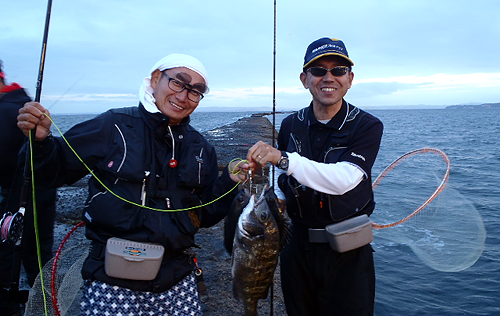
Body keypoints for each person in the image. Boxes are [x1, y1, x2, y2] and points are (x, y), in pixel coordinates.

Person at [17, 54, 249, 316]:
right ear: (154, 79)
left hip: (178, 280)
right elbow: (51, 172)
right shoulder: (112, 125)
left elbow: (204, 214)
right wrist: (40, 142)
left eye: (195, 91)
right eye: (177, 83)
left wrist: (230, 181)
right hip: (111, 281)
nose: (184, 96)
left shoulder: (201, 148)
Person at [247, 38, 383, 315]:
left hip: (348, 252)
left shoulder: (367, 126)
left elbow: (344, 179)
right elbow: (280, 176)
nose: (328, 77)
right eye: (319, 70)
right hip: (296, 247)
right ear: (305, 79)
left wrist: (283, 159)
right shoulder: (289, 124)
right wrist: (277, 196)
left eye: (339, 70)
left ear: (350, 78)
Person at [0, 59, 57, 316]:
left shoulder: (13, 108)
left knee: (15, 259)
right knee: (38, 261)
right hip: (38, 196)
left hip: (23, 199)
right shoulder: (21, 102)